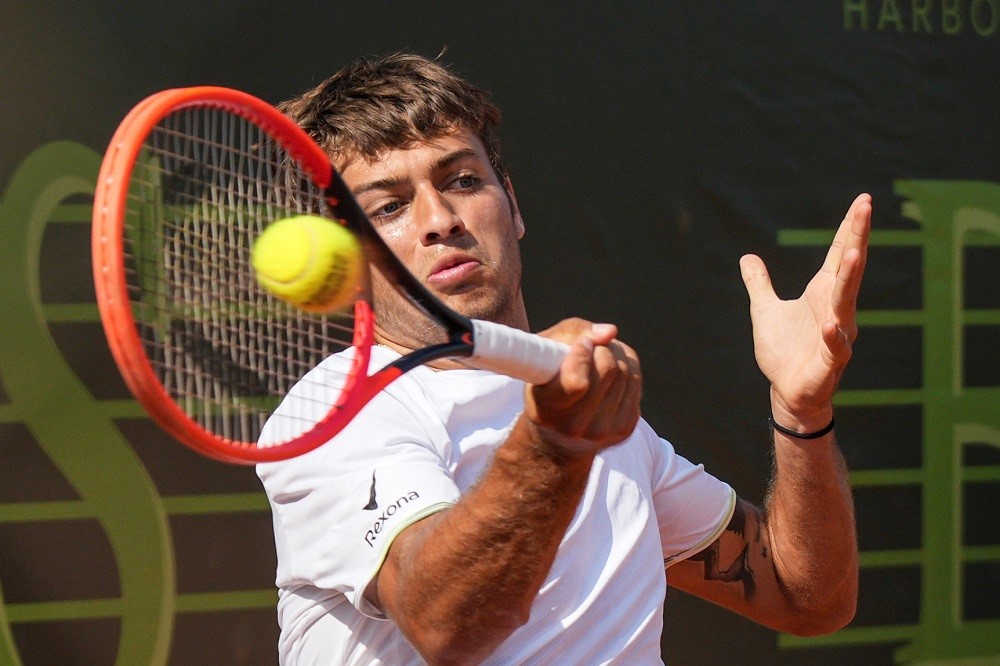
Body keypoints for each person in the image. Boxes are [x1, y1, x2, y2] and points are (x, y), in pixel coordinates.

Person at [256, 53, 866, 665]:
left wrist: (801, 413)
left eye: (462, 181)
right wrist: (554, 444)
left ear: (512, 203)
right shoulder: (337, 413)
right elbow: (445, 626)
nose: (439, 220)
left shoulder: (604, 426)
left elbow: (806, 598)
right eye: (388, 207)